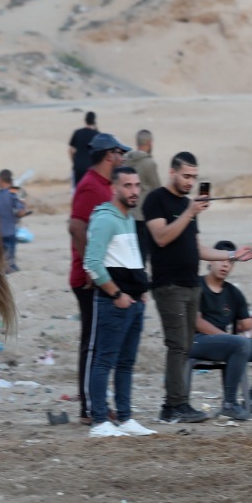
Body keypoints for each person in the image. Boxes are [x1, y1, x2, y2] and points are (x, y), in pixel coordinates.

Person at [145, 152, 252, 422]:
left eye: (194, 177)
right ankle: (172, 407)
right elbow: (161, 237)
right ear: (172, 173)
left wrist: (232, 256)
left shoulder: (186, 205)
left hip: (190, 285)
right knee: (177, 346)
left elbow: (198, 249)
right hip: (168, 285)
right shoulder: (156, 200)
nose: (190, 182)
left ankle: (181, 404)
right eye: (186, 176)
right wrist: (189, 212)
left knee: (184, 346)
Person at [82, 165, 156, 438]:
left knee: (126, 363)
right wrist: (116, 294)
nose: (135, 190)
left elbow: (128, 260)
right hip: (114, 303)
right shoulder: (105, 218)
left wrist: (141, 292)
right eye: (128, 186)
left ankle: (124, 418)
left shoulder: (127, 218)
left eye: (137, 185)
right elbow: (92, 263)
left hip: (134, 303)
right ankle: (100, 421)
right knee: (104, 361)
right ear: (114, 188)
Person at [68, 134, 125, 424]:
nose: (123, 158)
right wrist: (92, 269)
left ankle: (97, 404)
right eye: (120, 153)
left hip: (102, 277)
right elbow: (76, 226)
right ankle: (89, 408)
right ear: (109, 156)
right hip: (89, 279)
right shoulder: (90, 186)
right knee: (91, 344)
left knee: (100, 343)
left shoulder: (105, 185)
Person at [193, 239, 252, 420]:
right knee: (239, 344)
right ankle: (229, 404)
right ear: (210, 260)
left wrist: (251, 326)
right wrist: (230, 338)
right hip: (198, 342)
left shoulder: (233, 293)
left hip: (229, 345)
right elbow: (197, 322)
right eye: (221, 260)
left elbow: (245, 324)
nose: (225, 265)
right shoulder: (196, 286)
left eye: (230, 262)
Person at [0, 168, 28, 272]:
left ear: (0, 180)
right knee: (11, 261)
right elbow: (20, 211)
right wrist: (22, 210)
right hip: (10, 232)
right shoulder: (13, 192)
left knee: (0, 259)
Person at [125, 129, 161, 195]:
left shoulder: (125, 160)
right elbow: (157, 190)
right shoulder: (149, 163)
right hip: (143, 204)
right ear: (149, 143)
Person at [69, 111, 99, 188]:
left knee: (78, 191)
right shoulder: (97, 135)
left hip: (78, 166)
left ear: (85, 120)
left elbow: (71, 150)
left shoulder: (77, 132)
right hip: (91, 168)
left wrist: (74, 161)